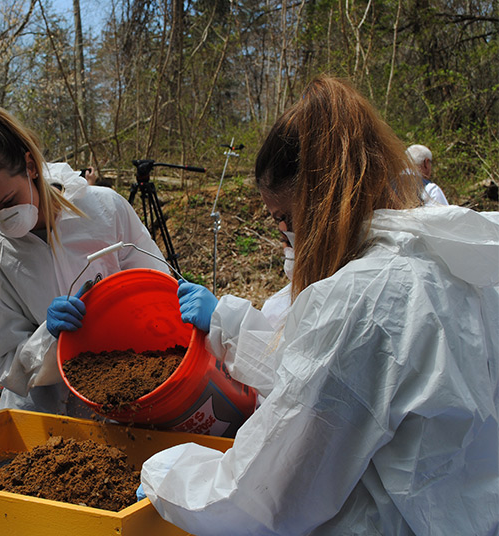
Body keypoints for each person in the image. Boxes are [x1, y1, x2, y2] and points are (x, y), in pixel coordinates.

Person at [138, 76, 499, 535]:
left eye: (285, 218)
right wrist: (230, 324)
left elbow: (269, 493)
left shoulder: (361, 296)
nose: (286, 236)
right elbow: (332, 383)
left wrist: (166, 476)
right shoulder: (446, 258)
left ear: (323, 198)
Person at [0, 104, 169, 417]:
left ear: (29, 166)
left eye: (8, 202)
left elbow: (159, 288)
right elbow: (6, 363)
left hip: (135, 390)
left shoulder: (103, 209)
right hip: (47, 416)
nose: (1, 218)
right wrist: (49, 337)